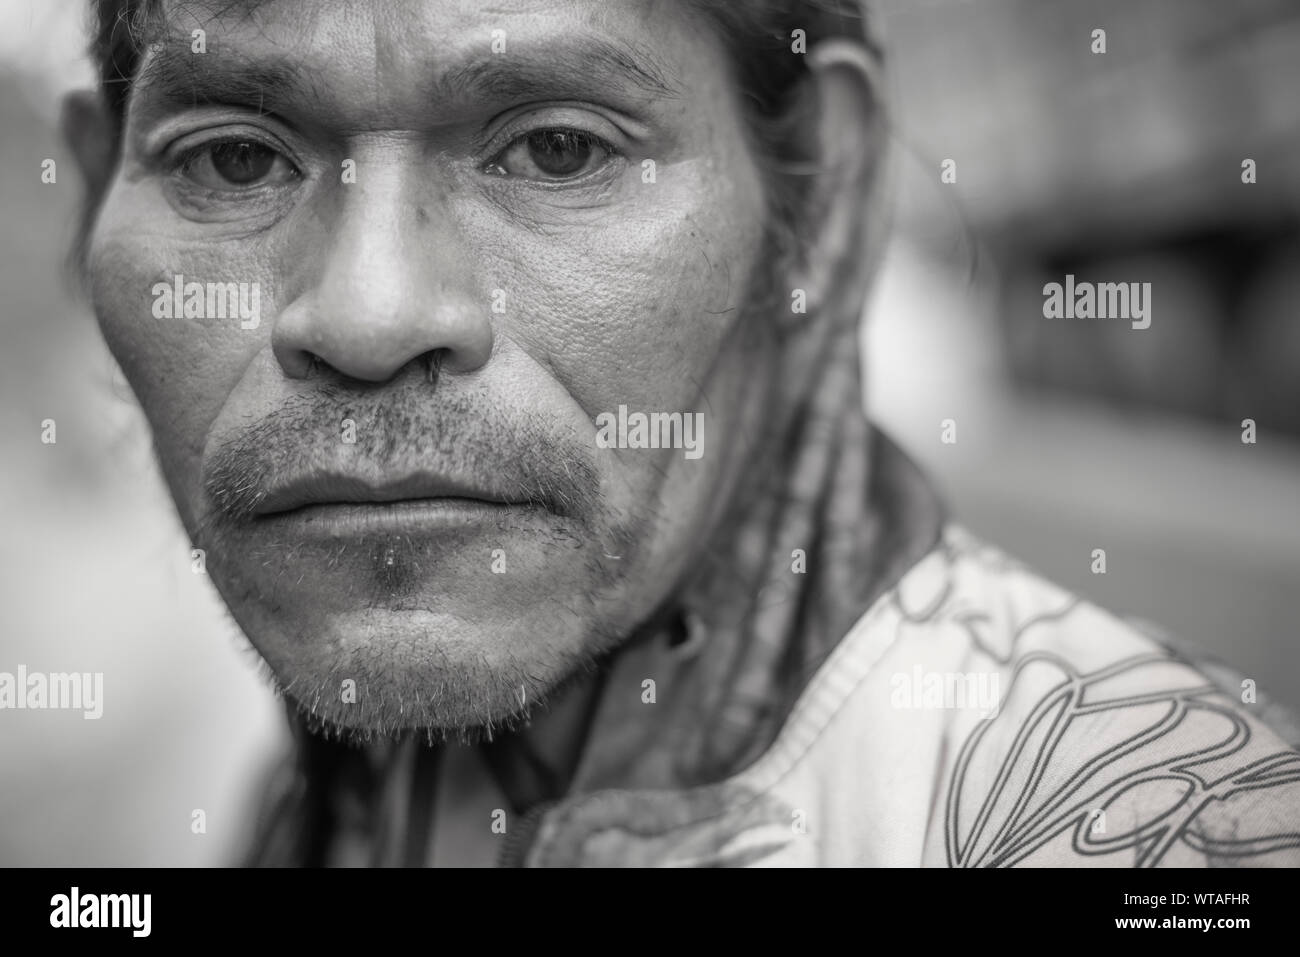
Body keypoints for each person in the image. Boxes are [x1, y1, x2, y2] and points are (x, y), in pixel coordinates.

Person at [63, 0, 1300, 866]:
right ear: (87, 203)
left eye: (556, 148)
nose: (369, 315)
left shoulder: (1153, 822)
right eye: (230, 160)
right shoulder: (317, 789)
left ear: (819, 195)